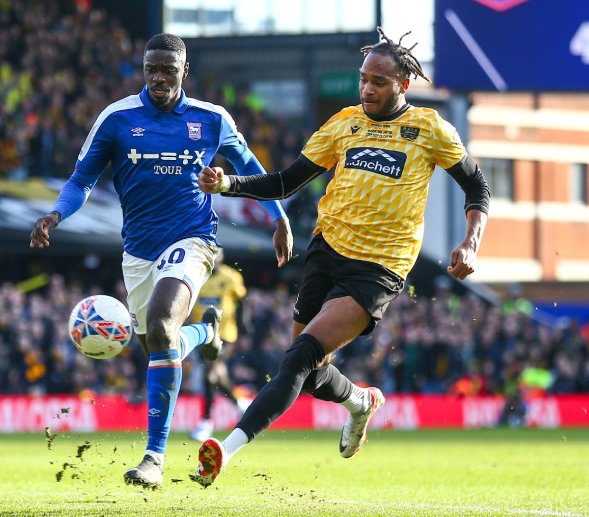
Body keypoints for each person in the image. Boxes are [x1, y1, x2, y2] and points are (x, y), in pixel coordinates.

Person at [191, 28, 490, 487]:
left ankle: (224, 452)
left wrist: (471, 241)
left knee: (299, 357)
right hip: (326, 250)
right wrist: (228, 183)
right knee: (309, 374)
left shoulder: (430, 130)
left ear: (403, 85)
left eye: (379, 82)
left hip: (379, 268)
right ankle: (360, 403)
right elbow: (288, 181)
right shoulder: (344, 122)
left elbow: (476, 186)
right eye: (364, 78)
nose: (367, 88)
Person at [29, 33, 293, 490]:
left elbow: (251, 165)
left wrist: (280, 217)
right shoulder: (116, 118)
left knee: (161, 322)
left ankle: (153, 458)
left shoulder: (211, 119)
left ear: (184, 71)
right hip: (138, 252)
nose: (158, 77)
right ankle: (205, 332)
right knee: (158, 345)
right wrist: (56, 213)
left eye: (167, 69)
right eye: (151, 68)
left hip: (194, 240)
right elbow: (81, 180)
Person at [188, 248, 252, 442]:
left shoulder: (231, 277)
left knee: (209, 373)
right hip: (201, 333)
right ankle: (240, 405)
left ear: (222, 257)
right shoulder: (197, 277)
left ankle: (206, 423)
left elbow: (242, 305)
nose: (214, 258)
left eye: (217, 254)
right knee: (217, 376)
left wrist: (246, 330)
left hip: (225, 334)